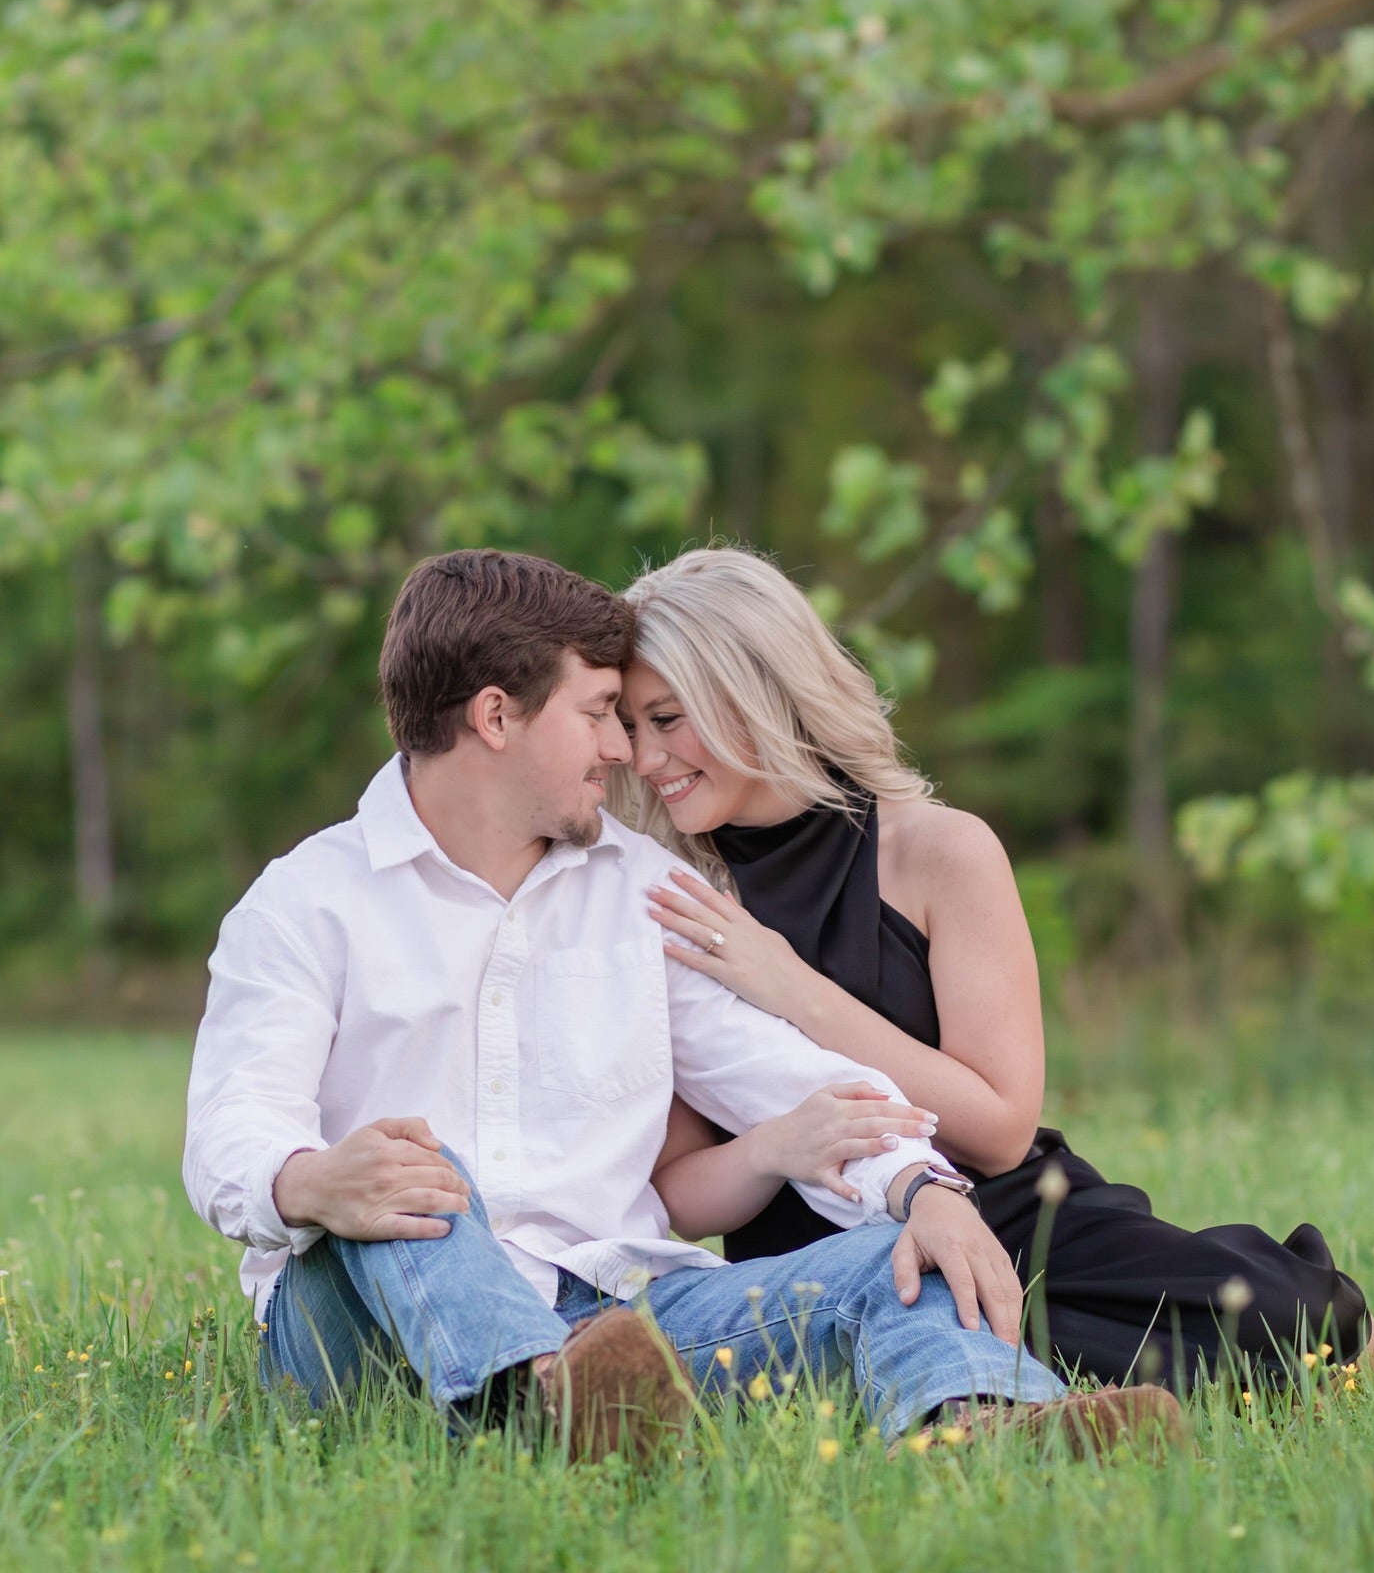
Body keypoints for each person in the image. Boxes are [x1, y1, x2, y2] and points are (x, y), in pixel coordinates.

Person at [184, 548, 1181, 1465]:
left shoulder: (641, 891)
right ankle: (535, 1402)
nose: (622, 749)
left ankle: (984, 1427)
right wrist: (314, 1182)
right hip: (362, 1326)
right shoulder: (308, 902)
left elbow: (779, 1073)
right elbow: (232, 1125)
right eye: (599, 713)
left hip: (621, 1321)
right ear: (495, 718)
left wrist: (919, 1186)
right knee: (409, 1177)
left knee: (890, 1255)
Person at [619, 544, 1374, 1392]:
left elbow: (1001, 1127)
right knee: (1017, 1356)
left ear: (752, 690)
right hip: (827, 1261)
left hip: (1014, 1216)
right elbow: (677, 1192)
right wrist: (772, 1150)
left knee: (1268, 1322)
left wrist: (792, 989)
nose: (644, 759)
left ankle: (1357, 1341)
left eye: (667, 720)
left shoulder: (939, 852)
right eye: (630, 727)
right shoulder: (666, 899)